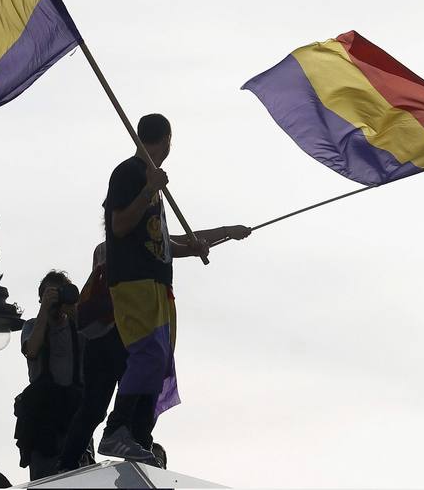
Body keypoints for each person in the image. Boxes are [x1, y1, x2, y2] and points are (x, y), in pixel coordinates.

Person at [94, 112, 251, 464]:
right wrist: (149, 189)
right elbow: (119, 226)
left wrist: (208, 239)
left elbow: (160, 242)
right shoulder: (130, 173)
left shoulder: (149, 181)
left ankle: (138, 435)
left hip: (155, 283)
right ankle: (117, 430)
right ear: (166, 139)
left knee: (159, 360)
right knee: (148, 355)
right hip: (134, 282)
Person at [13, 269, 90, 481]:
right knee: (46, 477)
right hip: (44, 419)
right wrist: (45, 310)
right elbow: (32, 350)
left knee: (80, 476)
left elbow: (98, 340)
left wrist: (73, 307)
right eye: (49, 294)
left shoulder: (78, 328)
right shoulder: (32, 326)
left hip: (74, 416)